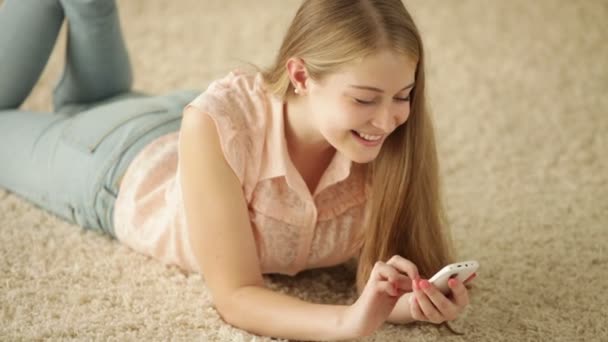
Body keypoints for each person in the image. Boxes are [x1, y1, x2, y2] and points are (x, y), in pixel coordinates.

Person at [0, 0, 472, 340]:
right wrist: (347, 321)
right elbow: (237, 296)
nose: (389, 119)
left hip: (179, 118)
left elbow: (391, 270)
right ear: (302, 76)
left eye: (403, 96)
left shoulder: (388, 141)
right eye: (365, 99)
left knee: (95, 100)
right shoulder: (217, 121)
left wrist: (409, 305)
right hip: (113, 162)